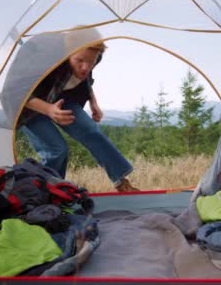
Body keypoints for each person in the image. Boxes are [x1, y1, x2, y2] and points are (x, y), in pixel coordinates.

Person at [11, 28, 139, 192]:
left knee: (91, 131)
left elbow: (87, 78)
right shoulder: (44, 59)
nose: (85, 67)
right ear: (67, 53)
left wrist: (93, 102)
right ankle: (50, 191)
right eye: (79, 60)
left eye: (90, 62)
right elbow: (15, 92)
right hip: (29, 104)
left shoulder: (93, 55)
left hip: (61, 96)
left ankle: (121, 182)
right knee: (57, 150)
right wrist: (49, 110)